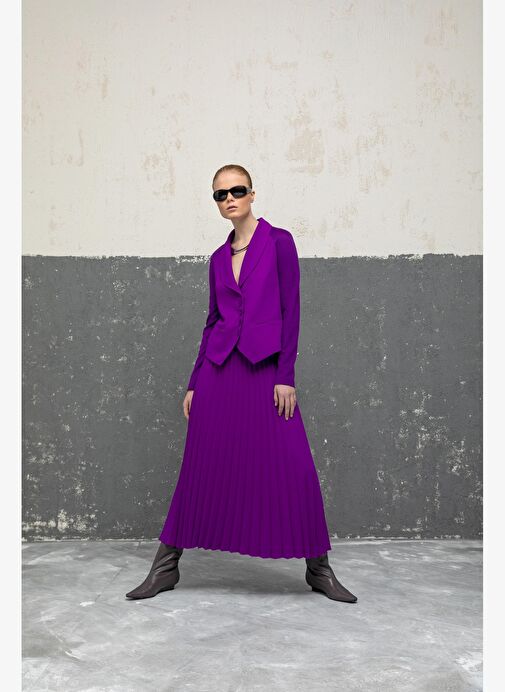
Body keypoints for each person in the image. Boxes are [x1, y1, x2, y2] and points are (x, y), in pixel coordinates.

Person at [126, 164, 357, 604]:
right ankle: (166, 568)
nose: (229, 199)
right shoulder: (217, 258)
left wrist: (285, 376)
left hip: (264, 369)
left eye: (236, 190)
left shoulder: (279, 242)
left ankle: (318, 570)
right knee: (199, 467)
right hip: (218, 373)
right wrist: (195, 381)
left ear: (252, 193)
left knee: (294, 466)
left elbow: (291, 311)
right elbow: (212, 321)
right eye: (220, 194)